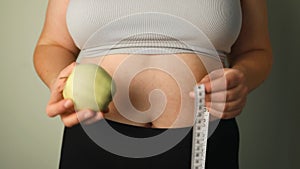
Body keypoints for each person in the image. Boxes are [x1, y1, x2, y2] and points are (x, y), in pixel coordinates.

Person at [33, 0, 272, 168]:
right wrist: (61, 82)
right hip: (94, 134)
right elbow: (52, 44)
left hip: (204, 138)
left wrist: (242, 78)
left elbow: (256, 50)